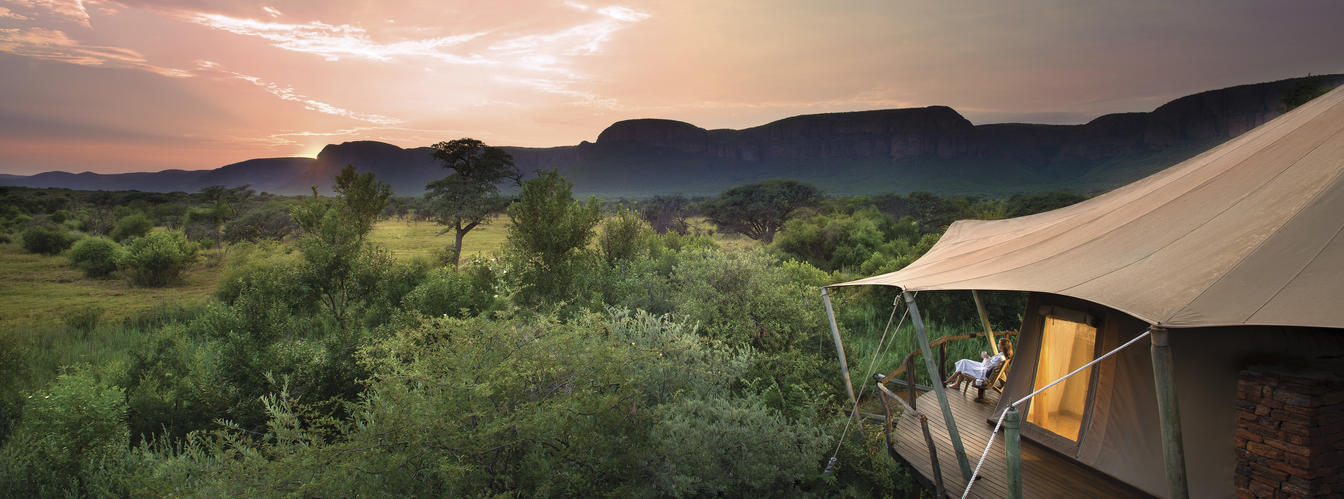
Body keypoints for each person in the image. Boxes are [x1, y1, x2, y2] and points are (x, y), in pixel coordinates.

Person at [945, 338, 1013, 391]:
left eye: (999, 343)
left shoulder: (1001, 357)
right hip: (984, 368)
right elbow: (992, 363)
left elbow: (989, 366)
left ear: (1003, 346)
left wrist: (986, 358)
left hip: (983, 372)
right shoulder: (1002, 355)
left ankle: (953, 379)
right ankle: (955, 380)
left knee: (964, 364)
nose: (998, 344)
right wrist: (988, 357)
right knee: (964, 361)